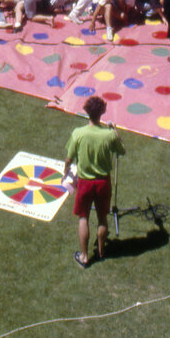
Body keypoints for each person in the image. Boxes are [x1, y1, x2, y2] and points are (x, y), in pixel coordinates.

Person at [62, 95, 125, 269]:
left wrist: (65, 173)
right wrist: (115, 130)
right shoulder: (109, 134)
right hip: (103, 183)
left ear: (87, 112)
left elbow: (68, 160)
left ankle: (84, 256)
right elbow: (122, 150)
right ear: (103, 112)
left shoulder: (78, 133)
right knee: (102, 218)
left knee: (83, 217)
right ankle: (102, 252)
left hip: (84, 183)